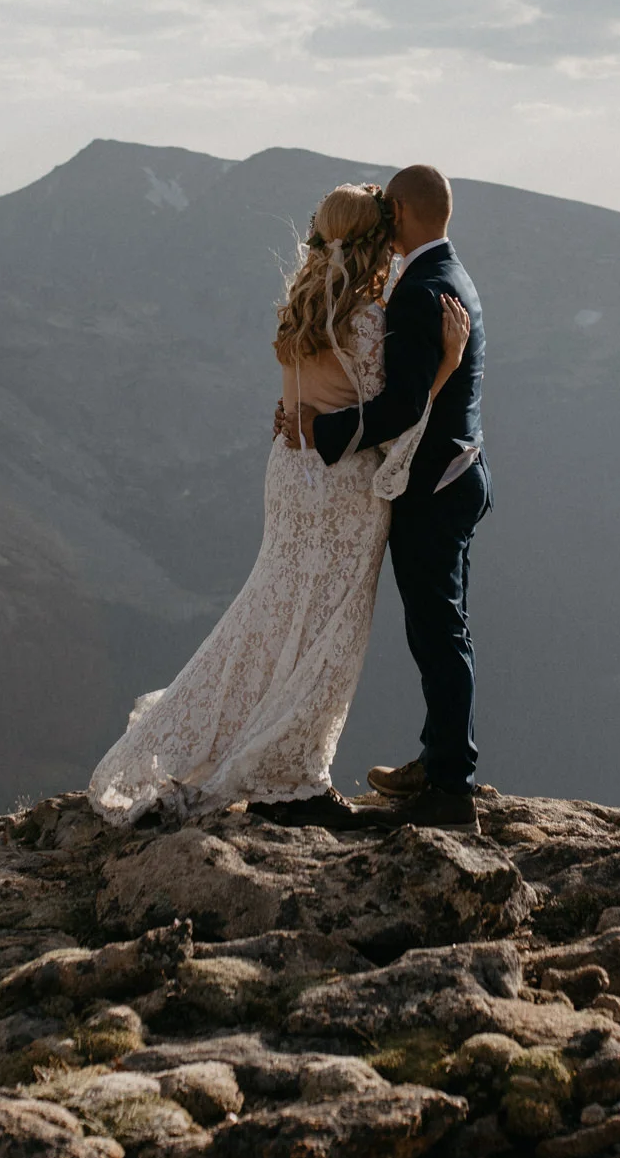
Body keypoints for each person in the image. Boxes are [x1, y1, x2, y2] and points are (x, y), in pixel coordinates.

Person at [86, 180, 471, 830]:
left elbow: (313, 398)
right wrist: (447, 363)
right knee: (328, 631)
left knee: (272, 610)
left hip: (290, 475)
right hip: (339, 487)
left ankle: (238, 746)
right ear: (378, 238)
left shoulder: (304, 300)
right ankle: (291, 774)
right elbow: (390, 420)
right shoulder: (371, 318)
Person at [293, 165, 490, 832]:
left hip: (434, 485)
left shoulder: (417, 292)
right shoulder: (456, 276)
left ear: (401, 210)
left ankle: (451, 785)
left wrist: (322, 430)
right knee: (441, 627)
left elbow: (403, 406)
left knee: (438, 632)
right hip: (460, 475)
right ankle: (440, 757)